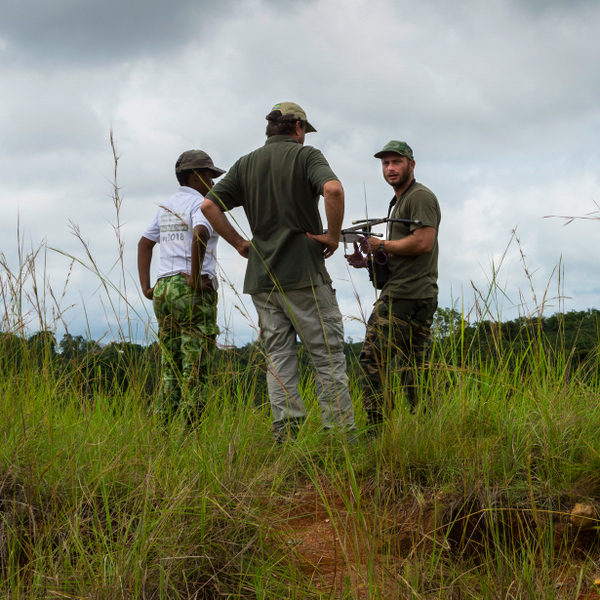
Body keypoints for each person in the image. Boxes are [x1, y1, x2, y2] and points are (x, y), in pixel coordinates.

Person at [201, 102, 355, 442]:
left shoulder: (245, 164)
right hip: (305, 276)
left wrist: (241, 243)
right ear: (297, 127)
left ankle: (287, 438)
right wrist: (332, 234)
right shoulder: (307, 157)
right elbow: (333, 189)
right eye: (304, 131)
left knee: (279, 359)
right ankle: (339, 438)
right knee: (327, 358)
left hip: (262, 279)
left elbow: (208, 205)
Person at [346, 141, 441, 431]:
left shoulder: (420, 197)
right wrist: (370, 260)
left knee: (372, 361)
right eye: (386, 163)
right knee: (415, 370)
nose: (390, 168)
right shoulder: (400, 200)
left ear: (411, 164)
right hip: (414, 293)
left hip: (405, 296)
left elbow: (423, 242)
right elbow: (404, 249)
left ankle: (376, 434)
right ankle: (426, 432)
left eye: (396, 162)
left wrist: (381, 244)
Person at [137, 149, 225, 422]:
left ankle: (163, 430)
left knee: (170, 366)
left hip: (164, 289)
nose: (213, 183)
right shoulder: (201, 204)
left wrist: (147, 286)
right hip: (190, 289)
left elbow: (144, 243)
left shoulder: (167, 205)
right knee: (195, 366)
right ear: (195, 175)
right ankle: (190, 435)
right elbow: (200, 232)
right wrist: (196, 276)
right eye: (210, 176)